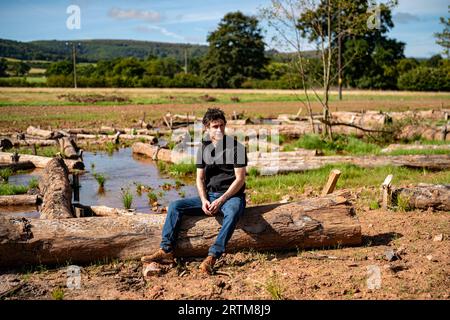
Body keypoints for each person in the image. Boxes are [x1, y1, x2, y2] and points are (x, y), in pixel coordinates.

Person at [141, 108, 248, 274]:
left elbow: (240, 179)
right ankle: (166, 250)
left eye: (221, 125)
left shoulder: (237, 148)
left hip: (231, 196)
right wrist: (204, 199)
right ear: (206, 128)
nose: (219, 129)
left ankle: (212, 256)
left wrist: (221, 200)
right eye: (214, 126)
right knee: (175, 205)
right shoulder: (204, 148)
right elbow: (199, 178)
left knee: (233, 211)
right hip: (210, 195)